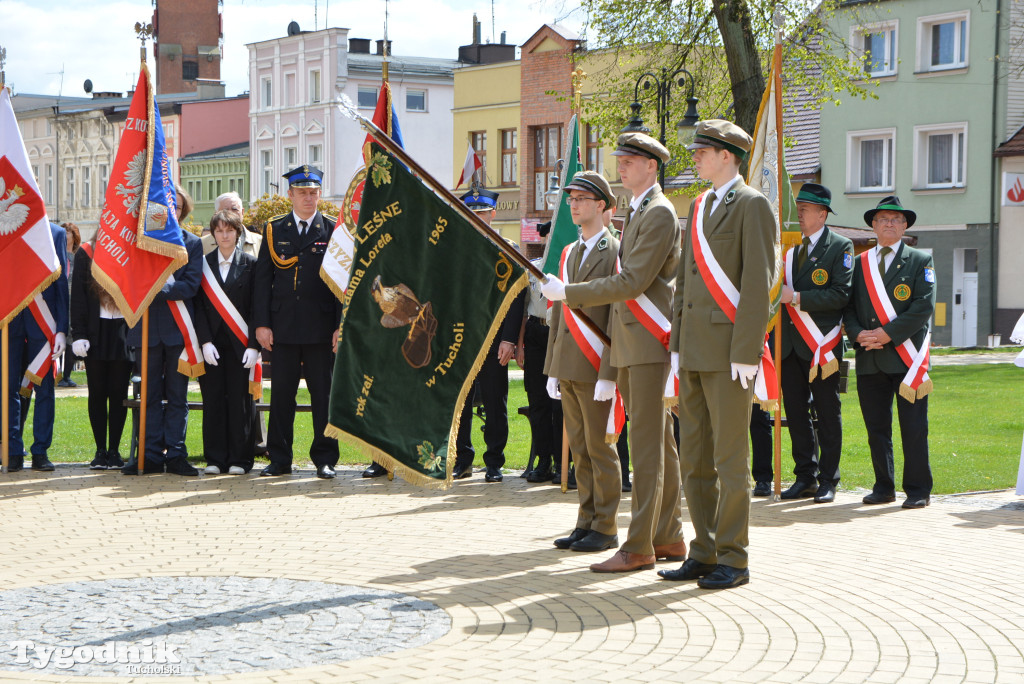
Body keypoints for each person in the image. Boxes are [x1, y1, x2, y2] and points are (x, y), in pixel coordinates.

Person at [542, 132, 686, 573]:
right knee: (658, 446)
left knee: (647, 450)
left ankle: (640, 544)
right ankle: (669, 536)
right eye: (620, 159)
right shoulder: (640, 211)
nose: (621, 166)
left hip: (646, 341)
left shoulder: (658, 212)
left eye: (630, 160)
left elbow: (633, 283)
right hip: (631, 342)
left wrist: (570, 292)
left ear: (651, 166)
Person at [660, 119, 776, 589]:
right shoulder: (701, 204)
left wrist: (747, 350)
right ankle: (703, 550)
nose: (695, 158)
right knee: (695, 460)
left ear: (726, 155)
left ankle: (734, 556)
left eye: (701, 152)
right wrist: (675, 345)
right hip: (692, 353)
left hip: (730, 354)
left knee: (730, 462)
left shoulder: (752, 205)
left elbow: (758, 284)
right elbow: (685, 282)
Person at [544, 170, 624, 552]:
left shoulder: (615, 252)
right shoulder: (569, 252)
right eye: (571, 199)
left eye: (581, 199)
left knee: (600, 449)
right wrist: (552, 366)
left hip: (596, 365)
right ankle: (586, 520)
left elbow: (616, 317)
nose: (573, 205)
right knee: (580, 448)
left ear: (601, 205)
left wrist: (610, 372)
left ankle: (606, 526)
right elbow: (558, 314)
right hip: (571, 364)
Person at [843, 196, 935, 509]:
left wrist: (886, 334)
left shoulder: (920, 260)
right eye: (883, 219)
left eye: (896, 219)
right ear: (873, 225)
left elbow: (923, 307)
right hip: (870, 359)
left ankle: (918, 490)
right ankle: (884, 486)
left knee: (913, 428)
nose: (890, 224)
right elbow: (849, 307)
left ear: (905, 225)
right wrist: (858, 334)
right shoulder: (860, 263)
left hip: (907, 359)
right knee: (876, 429)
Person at [253, 165, 341, 479]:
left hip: (320, 330)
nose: (308, 197)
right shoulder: (275, 229)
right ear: (290, 194)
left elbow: (341, 284)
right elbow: (263, 280)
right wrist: (261, 324)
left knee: (323, 397)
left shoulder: (332, 229)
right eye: (302, 192)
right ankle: (279, 459)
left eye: (313, 192)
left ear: (319, 194)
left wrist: (339, 325)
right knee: (282, 397)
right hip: (284, 329)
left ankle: (325, 459)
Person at [777, 183, 853, 503]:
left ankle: (828, 479)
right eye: (799, 208)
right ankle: (805, 476)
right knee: (795, 412)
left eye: (805, 210)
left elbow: (841, 294)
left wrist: (795, 297)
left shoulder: (840, 247)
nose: (800, 215)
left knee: (826, 411)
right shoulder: (792, 251)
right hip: (792, 345)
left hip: (822, 345)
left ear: (822, 214)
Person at [452, 187, 526, 483]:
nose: (477, 218)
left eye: (482, 213)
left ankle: (494, 461)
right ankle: (462, 459)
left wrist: (509, 339)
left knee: (495, 403)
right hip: (462, 339)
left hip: (496, 341)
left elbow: (517, 297)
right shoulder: (455, 250)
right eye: (472, 213)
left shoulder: (507, 249)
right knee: (461, 403)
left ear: (492, 214)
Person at [123, 228, 204, 476]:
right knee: (149, 397)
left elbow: (190, 285)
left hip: (178, 333)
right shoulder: (140, 240)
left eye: (177, 207)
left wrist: (156, 289)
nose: (172, 210)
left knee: (178, 397)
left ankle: (177, 454)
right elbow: (129, 277)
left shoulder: (192, 242)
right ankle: (151, 455)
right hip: (146, 330)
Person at [194, 211, 261, 475]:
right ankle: (214, 458)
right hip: (212, 346)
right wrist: (204, 341)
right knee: (212, 401)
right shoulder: (202, 264)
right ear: (212, 233)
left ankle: (240, 459)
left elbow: (257, 307)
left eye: (229, 231)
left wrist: (254, 345)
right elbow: (197, 307)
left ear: (238, 233)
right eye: (219, 231)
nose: (224, 236)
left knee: (240, 402)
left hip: (241, 346)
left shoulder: (251, 264)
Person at [5, 222, 69, 472]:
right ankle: (11, 449)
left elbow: (61, 282)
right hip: (10, 319)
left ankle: (41, 451)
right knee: (8, 388)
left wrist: (62, 328)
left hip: (44, 323)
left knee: (44, 390)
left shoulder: (55, 233)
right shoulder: (5, 227)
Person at [71, 233, 134, 470]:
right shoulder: (86, 252)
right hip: (94, 332)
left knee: (118, 393)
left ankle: (115, 451)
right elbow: (76, 297)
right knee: (97, 393)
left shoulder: (130, 250)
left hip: (123, 331)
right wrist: (78, 334)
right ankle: (100, 451)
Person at [523, 220, 562, 484]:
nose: (551, 242)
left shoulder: (567, 265)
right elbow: (522, 307)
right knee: (537, 400)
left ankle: (563, 461)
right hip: (536, 332)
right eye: (548, 237)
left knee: (559, 403)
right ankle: (544, 459)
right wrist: (519, 344)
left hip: (558, 333)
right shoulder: (532, 269)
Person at [201, 191, 263, 257]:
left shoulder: (259, 241)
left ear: (242, 212)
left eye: (234, 209)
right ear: (216, 213)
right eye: (225, 210)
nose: (230, 213)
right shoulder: (203, 243)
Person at [58, 221, 82, 388]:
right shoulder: (56, 256)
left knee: (71, 340)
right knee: (59, 335)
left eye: (68, 232)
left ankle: (67, 375)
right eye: (64, 232)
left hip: (74, 302)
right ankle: (58, 375)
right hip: (60, 301)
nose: (66, 235)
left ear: (74, 236)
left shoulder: (78, 257)